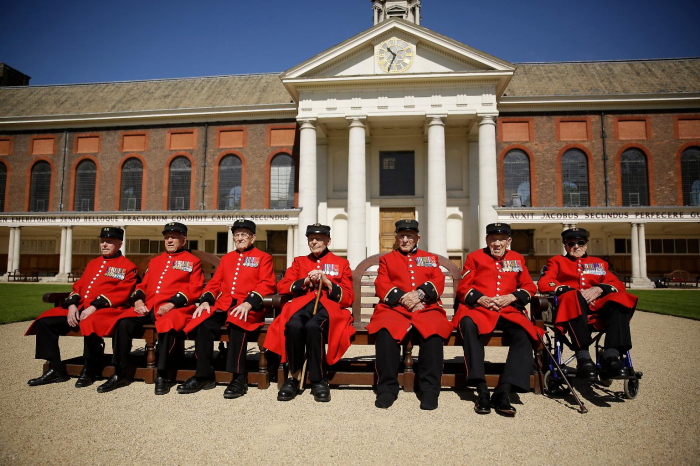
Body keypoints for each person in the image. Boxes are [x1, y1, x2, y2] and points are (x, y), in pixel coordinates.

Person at [97, 222, 204, 395]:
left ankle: (163, 374)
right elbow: (142, 285)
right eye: (167, 237)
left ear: (183, 240)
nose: (169, 240)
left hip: (175, 308)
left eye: (174, 237)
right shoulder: (156, 261)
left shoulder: (193, 261)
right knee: (123, 322)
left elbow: (194, 288)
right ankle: (120, 372)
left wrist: (171, 304)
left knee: (168, 324)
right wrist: (138, 301)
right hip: (149, 307)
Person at [25, 227, 138, 388]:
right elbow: (79, 286)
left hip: (107, 310)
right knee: (45, 321)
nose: (104, 244)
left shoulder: (127, 266)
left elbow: (122, 292)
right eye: (102, 241)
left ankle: (89, 368)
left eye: (109, 242)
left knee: (90, 321)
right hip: (81, 307)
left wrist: (94, 307)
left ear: (119, 244)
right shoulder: (93, 263)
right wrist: (71, 306)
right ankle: (55, 368)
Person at [177, 219, 276, 398]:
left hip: (248, 307)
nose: (239, 238)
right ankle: (204, 375)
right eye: (236, 235)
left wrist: (248, 302)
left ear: (252, 238)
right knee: (202, 323)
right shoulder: (227, 259)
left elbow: (267, 284)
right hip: (224, 305)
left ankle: (239, 377)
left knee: (238, 322)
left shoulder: (263, 257)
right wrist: (206, 300)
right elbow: (214, 283)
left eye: (244, 235)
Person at [452, 223, 541, 416]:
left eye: (502, 239)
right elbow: (463, 288)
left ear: (509, 241)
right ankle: (481, 389)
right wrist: (481, 299)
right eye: (493, 239)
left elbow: (528, 286)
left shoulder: (517, 259)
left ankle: (504, 391)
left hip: (508, 310)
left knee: (525, 334)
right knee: (467, 324)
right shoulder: (474, 257)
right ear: (487, 241)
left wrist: (512, 297)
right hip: (480, 310)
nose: (497, 243)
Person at [366, 219, 452, 410]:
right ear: (396, 238)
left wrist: (420, 294)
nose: (405, 240)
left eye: (410, 236)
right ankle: (387, 389)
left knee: (433, 333)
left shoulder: (430, 258)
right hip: (394, 308)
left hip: (426, 306)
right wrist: (406, 299)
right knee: (385, 333)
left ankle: (429, 389)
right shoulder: (387, 259)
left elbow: (438, 279)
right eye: (402, 236)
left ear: (417, 238)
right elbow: (381, 283)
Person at [264, 224, 354, 402]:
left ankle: (319, 379)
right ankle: (293, 376)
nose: (314, 242)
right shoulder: (299, 262)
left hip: (328, 307)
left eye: (319, 239)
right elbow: (282, 286)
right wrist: (304, 280)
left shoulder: (341, 263)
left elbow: (348, 297)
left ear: (328, 241)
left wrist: (328, 282)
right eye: (311, 239)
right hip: (302, 305)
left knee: (314, 327)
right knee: (293, 325)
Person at [539, 227, 637, 381]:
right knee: (572, 297)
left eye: (580, 242)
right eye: (571, 243)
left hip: (598, 309)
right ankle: (583, 357)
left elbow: (617, 284)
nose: (576, 246)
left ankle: (611, 357)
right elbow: (545, 283)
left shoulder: (599, 264)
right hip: (572, 308)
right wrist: (570, 290)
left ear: (586, 245)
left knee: (619, 299)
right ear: (565, 245)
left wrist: (600, 288)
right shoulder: (557, 261)